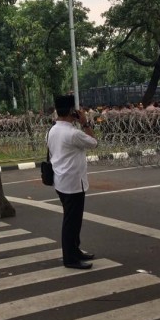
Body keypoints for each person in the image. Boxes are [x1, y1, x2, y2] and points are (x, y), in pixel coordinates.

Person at [47, 95, 98, 270]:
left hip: (61, 181)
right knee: (71, 222)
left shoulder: (53, 130)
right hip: (73, 183)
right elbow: (94, 143)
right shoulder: (73, 133)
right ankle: (70, 258)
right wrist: (84, 122)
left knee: (73, 220)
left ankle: (75, 250)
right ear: (72, 111)